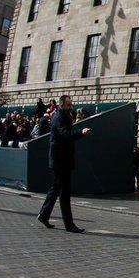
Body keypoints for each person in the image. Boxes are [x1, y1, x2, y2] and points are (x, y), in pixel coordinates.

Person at [37, 95, 92, 233]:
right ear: (61, 105)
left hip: (60, 159)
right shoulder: (60, 117)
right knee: (64, 191)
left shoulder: (61, 116)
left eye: (71, 104)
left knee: (56, 188)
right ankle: (69, 225)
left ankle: (44, 215)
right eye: (68, 105)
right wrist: (81, 132)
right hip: (61, 160)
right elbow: (66, 134)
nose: (71, 107)